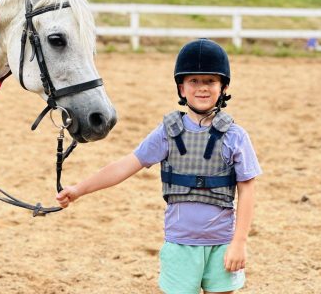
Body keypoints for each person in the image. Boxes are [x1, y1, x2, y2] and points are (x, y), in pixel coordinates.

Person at [56, 39, 262, 294]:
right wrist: (79, 190)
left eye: (209, 81)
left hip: (222, 244)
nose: (202, 88)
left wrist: (239, 242)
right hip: (180, 244)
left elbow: (248, 190)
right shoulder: (167, 133)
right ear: (181, 88)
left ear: (223, 86)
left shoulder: (236, 136)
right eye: (193, 81)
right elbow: (125, 166)